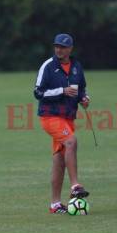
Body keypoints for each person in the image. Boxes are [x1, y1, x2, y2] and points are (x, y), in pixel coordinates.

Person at [34, 33, 90, 214]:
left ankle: (55, 204)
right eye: (57, 46)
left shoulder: (76, 66)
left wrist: (84, 98)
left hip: (68, 118)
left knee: (59, 159)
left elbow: (81, 88)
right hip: (50, 117)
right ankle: (75, 185)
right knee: (71, 142)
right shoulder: (48, 66)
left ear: (70, 49)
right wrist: (62, 91)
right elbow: (38, 93)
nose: (59, 49)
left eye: (63, 47)